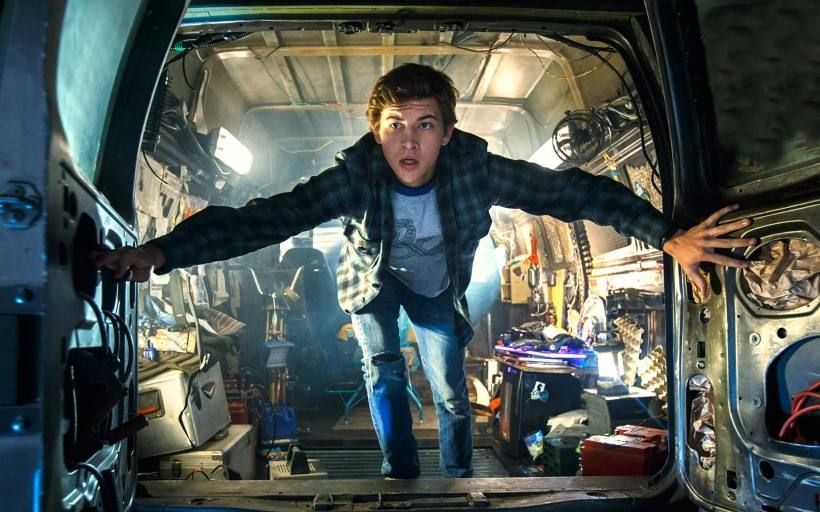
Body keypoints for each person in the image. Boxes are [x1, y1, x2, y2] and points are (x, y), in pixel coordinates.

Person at [93, 63, 756, 478]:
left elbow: (568, 192)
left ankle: (459, 475)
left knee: (448, 390)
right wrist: (161, 252)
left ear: (447, 132)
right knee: (383, 375)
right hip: (372, 286)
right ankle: (399, 472)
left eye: (425, 125)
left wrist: (666, 236)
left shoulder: (475, 169)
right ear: (375, 131)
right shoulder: (356, 177)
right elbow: (266, 219)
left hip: (438, 290)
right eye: (394, 125)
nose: (408, 141)